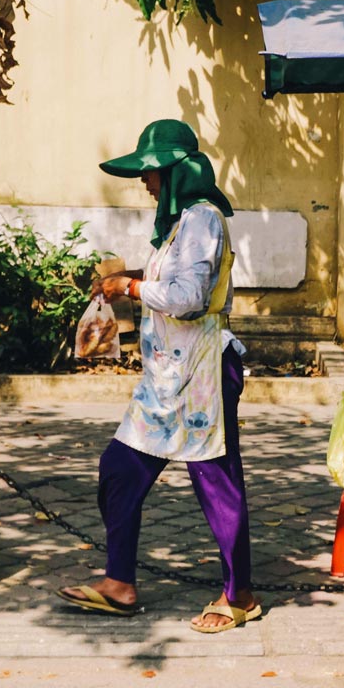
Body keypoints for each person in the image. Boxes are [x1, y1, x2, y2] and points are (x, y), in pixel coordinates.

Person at [56, 119, 259, 634]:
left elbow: (189, 298)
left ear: (175, 172)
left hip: (203, 372)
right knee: (119, 470)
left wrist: (128, 286)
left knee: (216, 485)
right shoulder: (179, 224)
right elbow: (176, 281)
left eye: (151, 173)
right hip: (168, 377)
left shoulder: (202, 219)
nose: (146, 183)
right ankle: (119, 583)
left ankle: (241, 596)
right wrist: (130, 281)